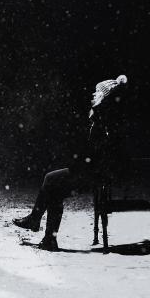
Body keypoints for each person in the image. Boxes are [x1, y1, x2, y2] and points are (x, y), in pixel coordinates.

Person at [12, 74, 128, 251]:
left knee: (50, 180)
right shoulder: (102, 119)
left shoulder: (102, 120)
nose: (93, 95)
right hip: (94, 172)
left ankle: (37, 223)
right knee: (53, 188)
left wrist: (78, 162)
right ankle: (47, 236)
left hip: (94, 175)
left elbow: (96, 152)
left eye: (97, 93)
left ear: (104, 98)